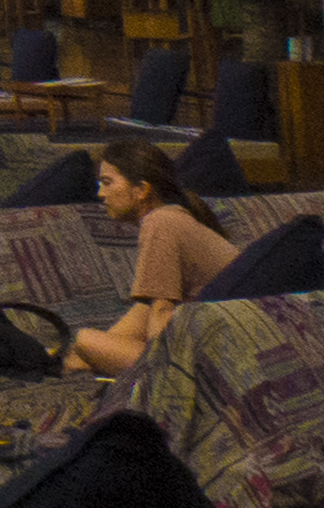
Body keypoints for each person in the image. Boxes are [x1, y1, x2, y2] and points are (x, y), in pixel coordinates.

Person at [60, 140, 230, 373]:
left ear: (141, 190)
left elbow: (162, 312)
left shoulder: (160, 221)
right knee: (140, 311)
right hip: (213, 344)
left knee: (86, 339)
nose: (100, 193)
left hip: (216, 357)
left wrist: (162, 377)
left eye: (107, 182)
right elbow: (150, 309)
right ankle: (65, 362)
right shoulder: (173, 217)